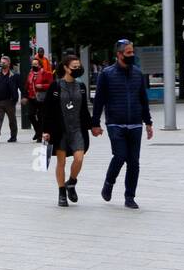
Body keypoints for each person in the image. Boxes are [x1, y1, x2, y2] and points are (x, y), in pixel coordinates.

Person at [91, 39, 154, 209]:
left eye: (132, 52)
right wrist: (95, 123)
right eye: (128, 53)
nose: (132, 55)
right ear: (119, 54)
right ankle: (109, 183)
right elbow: (99, 101)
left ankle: (129, 196)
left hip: (135, 124)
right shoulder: (107, 74)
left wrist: (148, 122)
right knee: (120, 156)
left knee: (134, 162)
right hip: (115, 123)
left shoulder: (138, 74)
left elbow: (143, 99)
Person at [41, 53, 94, 207]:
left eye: (79, 67)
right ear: (65, 68)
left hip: (77, 129)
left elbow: (84, 110)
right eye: (74, 67)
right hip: (60, 130)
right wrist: (44, 130)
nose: (78, 69)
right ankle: (62, 191)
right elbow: (46, 110)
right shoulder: (56, 86)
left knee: (79, 158)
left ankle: (71, 182)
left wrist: (93, 126)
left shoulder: (81, 87)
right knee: (61, 162)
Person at [0, 55, 21, 143]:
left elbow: (21, 87)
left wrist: (23, 97)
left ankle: (13, 136)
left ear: (8, 63)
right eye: (1, 62)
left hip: (10, 101)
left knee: (12, 120)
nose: (2, 64)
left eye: (4, 62)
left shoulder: (14, 75)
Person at [26, 55, 54, 142]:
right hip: (32, 98)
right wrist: (25, 96)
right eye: (33, 64)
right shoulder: (30, 74)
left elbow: (51, 85)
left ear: (40, 65)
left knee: (41, 117)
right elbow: (27, 85)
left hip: (42, 99)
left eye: (35, 64)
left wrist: (42, 86)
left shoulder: (46, 74)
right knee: (30, 115)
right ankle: (38, 131)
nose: (33, 66)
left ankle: (39, 136)